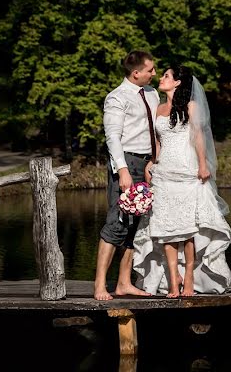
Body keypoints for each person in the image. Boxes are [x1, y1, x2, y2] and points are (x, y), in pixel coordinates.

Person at [132, 65, 231, 296]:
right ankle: (172, 278)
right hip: (164, 171)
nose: (162, 78)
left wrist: (203, 164)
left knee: (187, 229)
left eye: (166, 76)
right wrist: (152, 163)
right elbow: (158, 142)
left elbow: (198, 137)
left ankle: (188, 277)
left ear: (177, 82)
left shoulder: (191, 106)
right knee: (166, 226)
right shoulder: (159, 108)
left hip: (187, 171)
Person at [93, 50, 159, 300]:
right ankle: (100, 285)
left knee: (136, 225)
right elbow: (112, 138)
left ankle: (123, 283)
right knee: (116, 222)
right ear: (136, 73)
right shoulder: (117, 98)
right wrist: (122, 170)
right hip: (126, 163)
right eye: (150, 70)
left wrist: (153, 161)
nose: (154, 74)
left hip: (146, 165)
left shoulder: (152, 94)